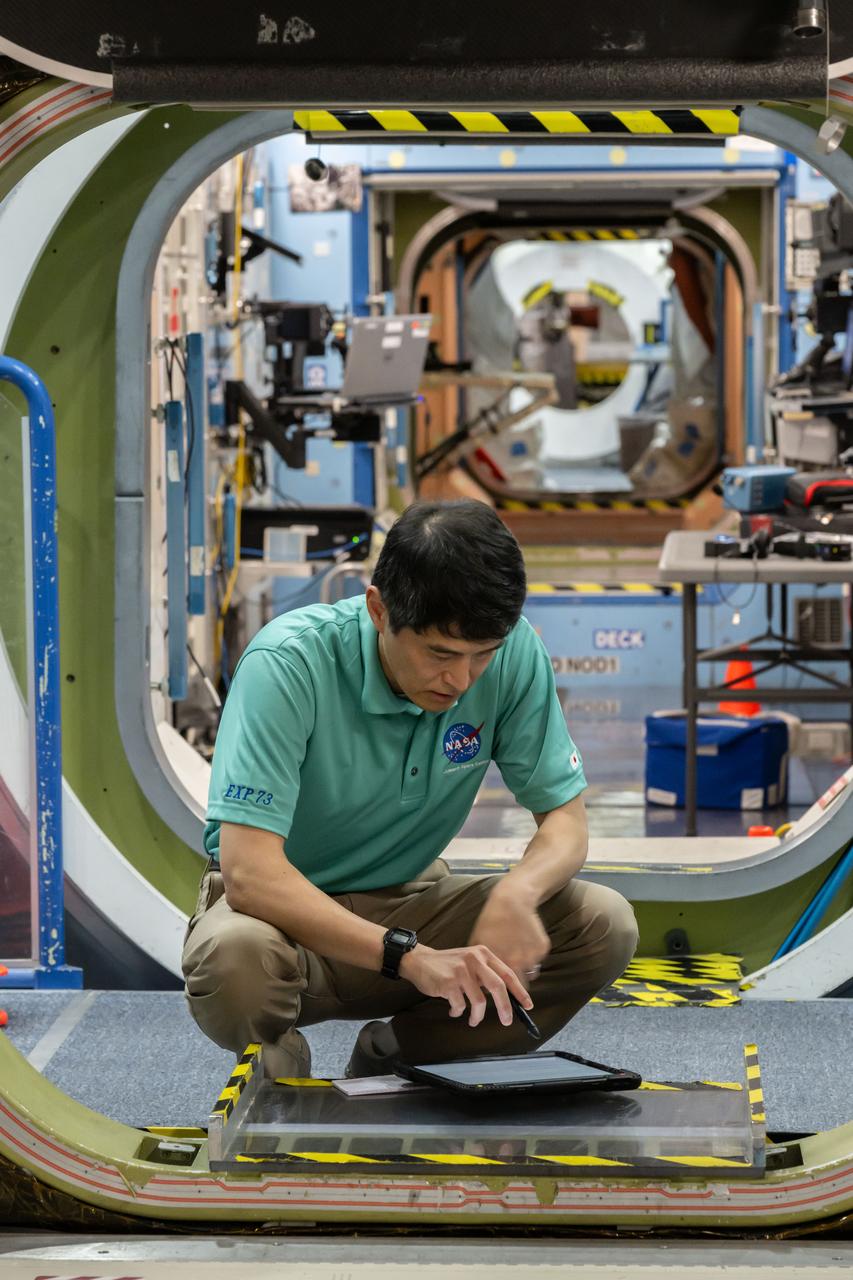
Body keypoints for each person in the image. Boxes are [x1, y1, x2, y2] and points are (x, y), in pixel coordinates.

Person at [182, 500, 638, 1079]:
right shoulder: (288, 663)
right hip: (285, 923)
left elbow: (566, 822)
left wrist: (516, 895)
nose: (461, 679)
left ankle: (404, 1057)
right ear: (379, 609)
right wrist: (409, 958)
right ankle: (279, 1066)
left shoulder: (514, 651)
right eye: (440, 654)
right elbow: (250, 875)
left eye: (482, 656)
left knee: (603, 923)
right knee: (234, 959)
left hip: (413, 901)